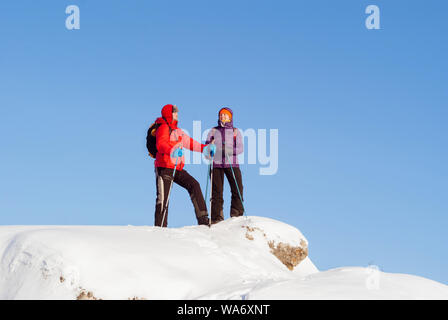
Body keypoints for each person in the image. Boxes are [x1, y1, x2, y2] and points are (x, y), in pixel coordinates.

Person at [153, 104, 215, 227]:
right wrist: (172, 151)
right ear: (168, 114)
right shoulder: (163, 127)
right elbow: (160, 144)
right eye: (174, 112)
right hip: (164, 167)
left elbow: (191, 143)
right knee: (163, 199)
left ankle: (203, 219)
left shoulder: (178, 131)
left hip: (177, 168)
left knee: (194, 185)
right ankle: (160, 228)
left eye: (177, 112)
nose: (177, 114)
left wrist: (205, 148)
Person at [206, 107, 244, 224]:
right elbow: (206, 148)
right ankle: (216, 217)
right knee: (216, 191)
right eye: (221, 115)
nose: (223, 117)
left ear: (230, 117)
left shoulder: (235, 131)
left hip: (231, 163)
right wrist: (210, 149)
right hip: (216, 164)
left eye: (225, 115)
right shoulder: (213, 131)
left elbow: (240, 148)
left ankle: (236, 214)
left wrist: (228, 150)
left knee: (237, 188)